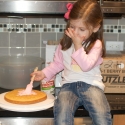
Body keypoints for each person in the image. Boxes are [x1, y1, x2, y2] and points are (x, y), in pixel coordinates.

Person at [31, 0, 112, 125]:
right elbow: (57, 64)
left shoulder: (96, 45)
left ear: (96, 27)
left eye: (82, 29)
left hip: (92, 86)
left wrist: (78, 45)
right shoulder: (65, 44)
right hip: (68, 86)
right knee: (62, 113)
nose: (75, 33)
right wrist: (44, 73)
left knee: (102, 116)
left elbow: (86, 66)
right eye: (72, 27)